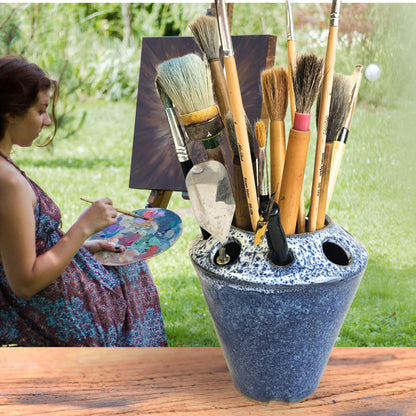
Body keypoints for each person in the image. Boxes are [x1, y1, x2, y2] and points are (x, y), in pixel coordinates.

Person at [0, 55, 168, 347]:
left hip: (59, 304)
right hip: (68, 320)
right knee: (133, 270)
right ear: (10, 114)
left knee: (125, 261)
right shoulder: (8, 183)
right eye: (40, 110)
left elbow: (18, 250)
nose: (48, 120)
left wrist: (84, 247)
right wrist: (83, 228)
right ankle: (138, 373)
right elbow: (24, 283)